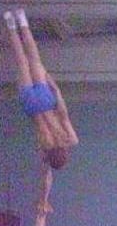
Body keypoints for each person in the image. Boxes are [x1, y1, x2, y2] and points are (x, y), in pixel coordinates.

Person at [4, 9, 78, 170]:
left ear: (66, 155)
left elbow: (63, 114)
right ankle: (10, 22)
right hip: (31, 106)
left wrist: (56, 90)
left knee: (34, 59)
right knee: (21, 63)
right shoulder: (45, 146)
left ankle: (22, 20)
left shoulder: (70, 139)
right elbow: (38, 137)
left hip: (46, 102)